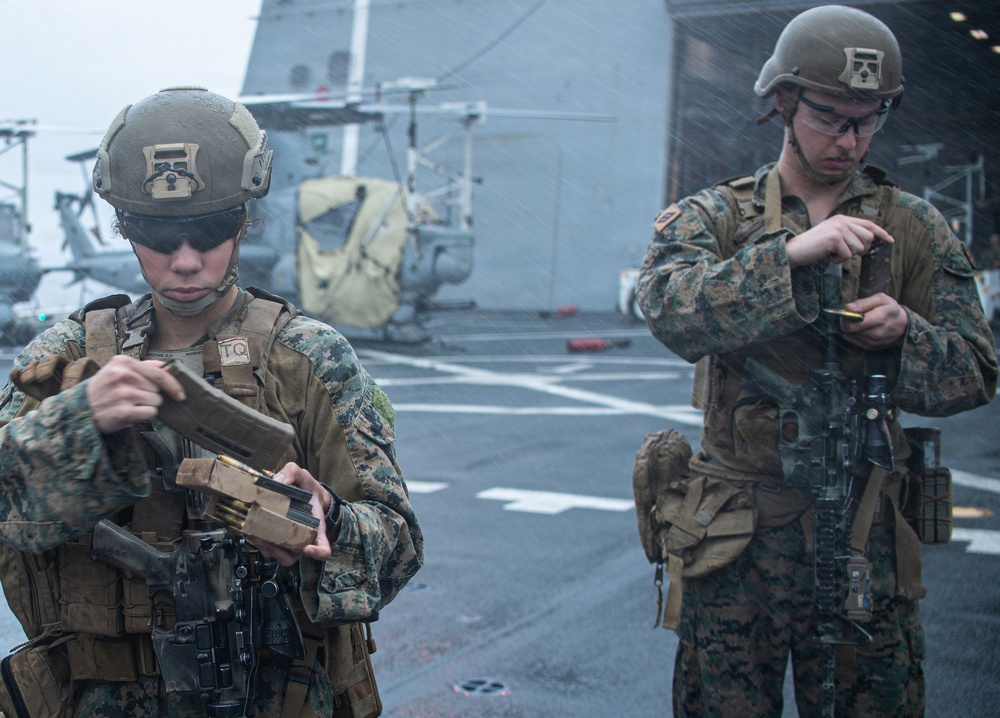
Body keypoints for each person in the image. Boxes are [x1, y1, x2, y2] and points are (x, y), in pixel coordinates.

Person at [0, 87, 423, 717]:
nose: (187, 262)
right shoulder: (67, 354)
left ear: (245, 217)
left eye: (211, 229)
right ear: (124, 227)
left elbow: (398, 545)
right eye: (157, 235)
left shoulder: (309, 358)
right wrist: (78, 423)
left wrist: (324, 524)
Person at [636, 5, 998, 717]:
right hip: (736, 539)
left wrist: (905, 337)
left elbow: (977, 370)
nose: (850, 138)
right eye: (831, 116)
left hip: (862, 534)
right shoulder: (717, 218)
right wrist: (790, 260)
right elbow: (667, 308)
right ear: (783, 102)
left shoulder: (911, 226)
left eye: (869, 119)